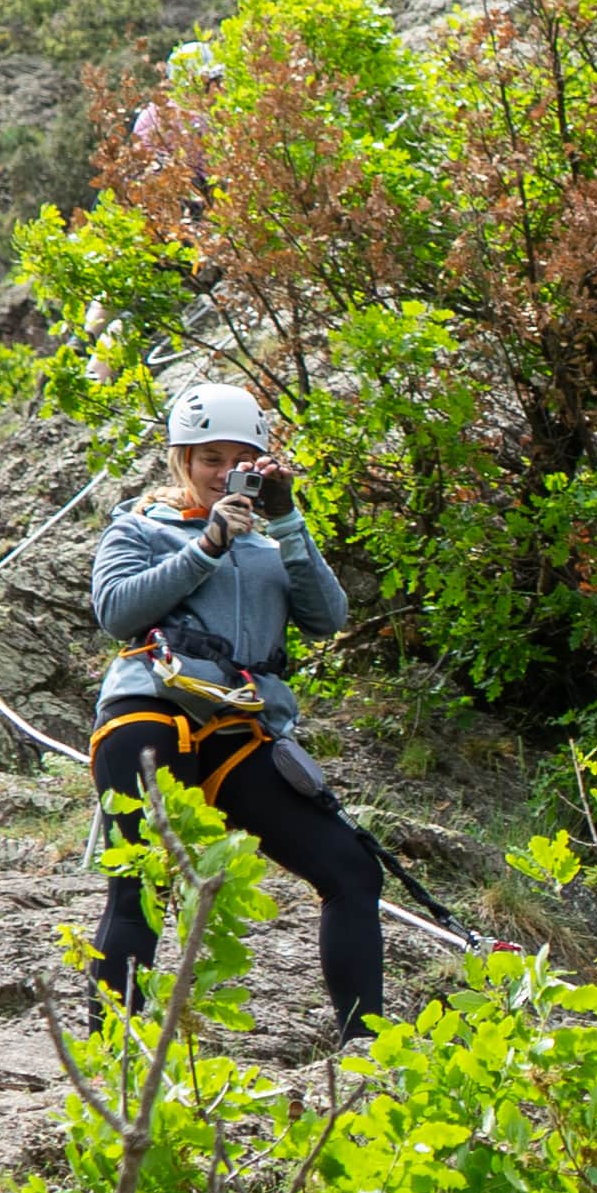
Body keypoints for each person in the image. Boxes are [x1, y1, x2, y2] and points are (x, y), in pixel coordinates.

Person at [87, 382, 391, 1043]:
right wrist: (206, 545)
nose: (224, 472)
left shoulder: (270, 544)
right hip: (152, 708)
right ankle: (111, 1051)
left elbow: (326, 618)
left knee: (351, 868)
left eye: (239, 460)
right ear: (182, 460)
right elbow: (116, 612)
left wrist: (285, 520)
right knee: (142, 881)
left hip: (238, 727)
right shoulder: (138, 525)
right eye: (209, 459)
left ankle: (367, 1047)